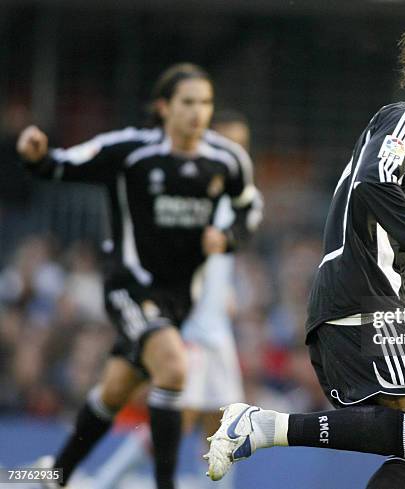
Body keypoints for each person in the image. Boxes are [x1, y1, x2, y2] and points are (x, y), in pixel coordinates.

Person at [205, 19, 405, 488]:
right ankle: (262, 425)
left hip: (366, 299)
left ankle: (264, 427)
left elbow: (403, 263)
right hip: (362, 301)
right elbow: (373, 181)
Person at [17, 63, 262, 489]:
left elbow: (250, 208)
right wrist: (37, 155)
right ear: (164, 107)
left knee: (113, 391)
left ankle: (55, 474)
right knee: (173, 368)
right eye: (188, 102)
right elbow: (61, 165)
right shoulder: (130, 151)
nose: (198, 112)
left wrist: (227, 237)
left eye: (205, 103)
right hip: (129, 284)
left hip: (179, 299)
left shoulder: (226, 160)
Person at [91, 111, 253, 489]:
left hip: (218, 327)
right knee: (178, 417)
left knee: (226, 420)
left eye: (240, 144)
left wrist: (224, 290)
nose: (234, 152)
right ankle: (103, 480)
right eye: (227, 142)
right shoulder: (193, 192)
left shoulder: (236, 196)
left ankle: (214, 485)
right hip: (192, 323)